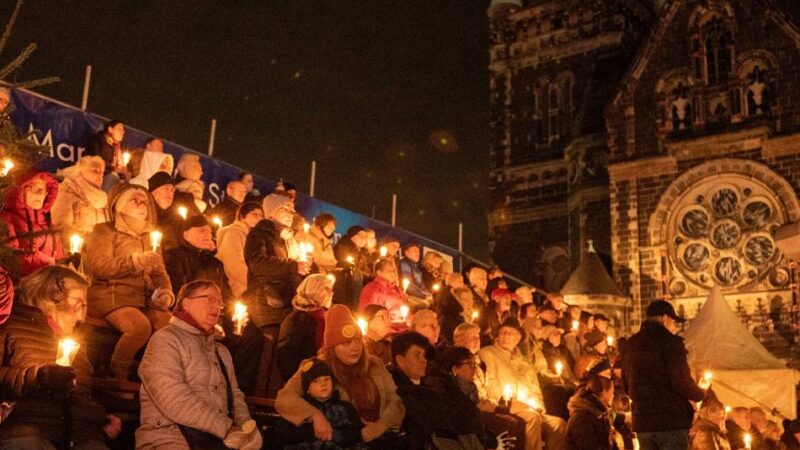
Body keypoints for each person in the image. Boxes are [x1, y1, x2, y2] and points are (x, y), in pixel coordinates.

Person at [0, 266, 121, 450]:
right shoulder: (10, 326)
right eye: (78, 304)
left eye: (84, 307)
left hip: (80, 434)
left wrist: (100, 418)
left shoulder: (76, 342)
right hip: (27, 427)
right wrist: (36, 377)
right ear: (51, 295)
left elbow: (80, 395)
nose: (81, 316)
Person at [136, 280, 262, 450]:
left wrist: (247, 428)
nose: (217, 306)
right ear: (186, 303)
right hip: (170, 437)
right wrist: (225, 428)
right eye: (209, 299)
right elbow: (173, 397)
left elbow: (235, 396)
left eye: (219, 302)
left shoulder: (221, 351)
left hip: (212, 440)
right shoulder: (165, 339)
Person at [275, 304, 405, 447]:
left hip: (379, 438)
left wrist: (381, 426)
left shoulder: (374, 364)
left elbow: (395, 399)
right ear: (332, 348)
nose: (354, 348)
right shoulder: (317, 368)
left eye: (357, 341)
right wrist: (315, 415)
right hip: (341, 441)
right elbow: (285, 398)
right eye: (346, 343)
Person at [83, 183, 174, 379]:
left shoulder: (151, 238)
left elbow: (159, 272)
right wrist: (134, 262)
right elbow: (99, 266)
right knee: (139, 327)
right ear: (119, 205)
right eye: (135, 200)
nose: (142, 205)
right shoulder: (104, 231)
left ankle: (155, 377)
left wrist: (165, 293)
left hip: (142, 299)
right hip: (111, 296)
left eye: (145, 202)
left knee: (172, 328)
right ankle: (117, 374)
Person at [244, 192, 311, 394]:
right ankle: (261, 401)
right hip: (266, 301)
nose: (291, 213)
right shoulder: (260, 233)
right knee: (268, 355)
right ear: (272, 212)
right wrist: (293, 266)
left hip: (286, 302)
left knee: (280, 356)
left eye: (292, 209)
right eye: (285, 209)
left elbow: (293, 270)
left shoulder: (289, 239)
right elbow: (256, 262)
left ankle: (276, 398)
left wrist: (306, 268)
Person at [620, 300, 707, 450]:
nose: (674, 328)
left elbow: (626, 384)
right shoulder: (671, 343)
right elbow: (681, 381)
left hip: (643, 422)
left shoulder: (630, 344)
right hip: (670, 422)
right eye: (674, 322)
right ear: (664, 318)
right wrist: (700, 393)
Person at [479, 319, 567, 450]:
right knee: (533, 418)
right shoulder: (488, 354)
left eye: (510, 333)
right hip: (506, 403)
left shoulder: (525, 362)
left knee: (558, 424)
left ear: (518, 338)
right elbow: (490, 384)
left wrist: (539, 406)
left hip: (529, 406)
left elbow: (535, 389)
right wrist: (508, 401)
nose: (506, 336)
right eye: (503, 333)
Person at [390, 331, 486, 449]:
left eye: (424, 355)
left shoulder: (437, 380)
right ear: (400, 360)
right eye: (417, 355)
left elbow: (465, 411)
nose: (423, 360)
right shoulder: (395, 388)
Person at [272, 359, 363, 449]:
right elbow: (282, 433)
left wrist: (334, 435)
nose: (323, 384)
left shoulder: (345, 407)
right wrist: (313, 432)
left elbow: (356, 433)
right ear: (307, 389)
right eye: (316, 381)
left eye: (327, 379)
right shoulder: (300, 407)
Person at [1, 171, 64, 277]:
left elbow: (59, 257)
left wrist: (68, 262)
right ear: (21, 190)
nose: (40, 193)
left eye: (44, 190)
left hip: (48, 285)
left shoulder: (48, 224)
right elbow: (11, 256)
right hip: (19, 287)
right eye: (35, 188)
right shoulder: (6, 218)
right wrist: (50, 263)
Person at [276, 274, 335, 381]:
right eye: (326, 288)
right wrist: (302, 379)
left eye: (331, 289)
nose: (331, 293)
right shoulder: (297, 320)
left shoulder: (327, 316)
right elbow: (285, 355)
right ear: (312, 289)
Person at [163, 215, 231, 298]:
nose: (208, 235)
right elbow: (175, 292)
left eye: (210, 232)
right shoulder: (173, 258)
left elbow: (226, 296)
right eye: (201, 231)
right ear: (186, 235)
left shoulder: (215, 263)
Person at [51, 156, 109, 248]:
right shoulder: (67, 192)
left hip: (98, 253)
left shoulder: (103, 199)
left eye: (102, 173)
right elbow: (60, 229)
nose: (100, 176)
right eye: (95, 171)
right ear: (81, 172)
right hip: (77, 254)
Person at [216, 201, 263, 298]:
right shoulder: (234, 233)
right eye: (254, 214)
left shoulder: (252, 236)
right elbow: (234, 264)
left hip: (251, 289)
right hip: (240, 290)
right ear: (242, 217)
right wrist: (255, 283)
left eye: (261, 215)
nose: (259, 218)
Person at [565, 374, 617, 450]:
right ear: (604, 393)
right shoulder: (581, 418)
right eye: (612, 392)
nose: (613, 395)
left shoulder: (600, 412)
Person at [359, 258, 407, 323]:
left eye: (393, 271)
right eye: (389, 271)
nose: (393, 273)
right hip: (385, 325)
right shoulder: (371, 289)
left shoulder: (395, 288)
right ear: (379, 273)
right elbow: (370, 315)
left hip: (400, 322)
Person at [85, 120, 126, 191]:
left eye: (123, 130)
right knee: (113, 177)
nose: (123, 132)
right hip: (94, 176)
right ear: (110, 129)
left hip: (110, 176)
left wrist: (123, 171)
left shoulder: (118, 148)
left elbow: (120, 166)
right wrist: (114, 169)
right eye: (120, 129)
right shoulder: (97, 140)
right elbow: (95, 160)